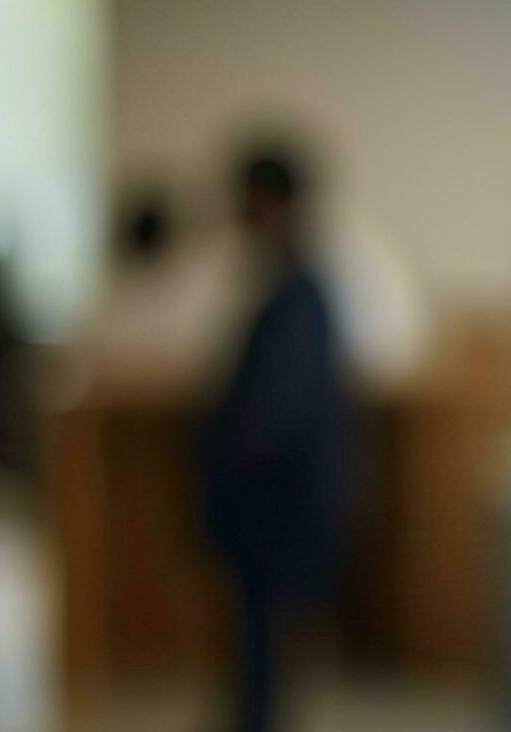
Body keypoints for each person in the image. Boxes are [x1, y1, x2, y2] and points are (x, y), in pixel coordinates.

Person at [197, 145, 354, 732]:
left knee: (268, 650)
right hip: (273, 507)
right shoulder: (287, 290)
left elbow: (272, 417)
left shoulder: (299, 297)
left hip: (278, 508)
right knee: (258, 651)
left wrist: (226, 464)